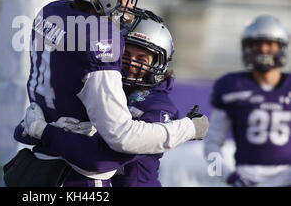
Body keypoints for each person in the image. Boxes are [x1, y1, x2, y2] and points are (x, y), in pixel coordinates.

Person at [6, 0, 209, 187]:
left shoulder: (52, 12)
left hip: (38, 163)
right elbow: (120, 137)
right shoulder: (100, 33)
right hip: (76, 175)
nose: (128, 4)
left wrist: (43, 129)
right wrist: (188, 128)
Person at [15, 14, 201, 187]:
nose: (131, 64)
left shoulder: (156, 107)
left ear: (159, 64)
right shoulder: (100, 87)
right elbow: (22, 132)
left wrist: (45, 131)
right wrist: (46, 128)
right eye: (126, 55)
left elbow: (98, 160)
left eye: (141, 59)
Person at [204, 15, 291, 187]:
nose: (263, 50)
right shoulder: (232, 86)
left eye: (269, 44)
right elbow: (212, 143)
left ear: (281, 47)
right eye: (256, 44)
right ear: (247, 48)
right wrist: (228, 176)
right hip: (246, 177)